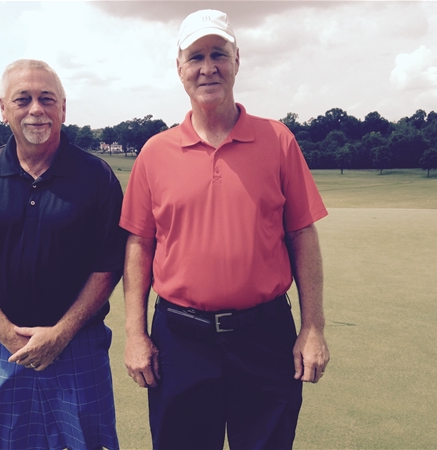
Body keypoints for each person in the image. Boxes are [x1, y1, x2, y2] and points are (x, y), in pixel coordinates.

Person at [120, 9, 330, 450]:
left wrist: (313, 327)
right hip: (180, 339)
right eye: (195, 57)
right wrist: (135, 333)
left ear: (237, 61)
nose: (208, 67)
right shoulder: (155, 152)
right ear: (179, 68)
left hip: (266, 335)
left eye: (218, 54)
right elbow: (140, 243)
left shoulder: (278, 140)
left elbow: (302, 235)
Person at [0, 59, 126, 450]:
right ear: (3, 108)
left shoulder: (97, 177)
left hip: (79, 347)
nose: (36, 109)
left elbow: (107, 267)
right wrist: (7, 334)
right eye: (23, 99)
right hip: (5, 349)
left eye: (47, 99)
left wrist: (61, 333)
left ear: (63, 108)